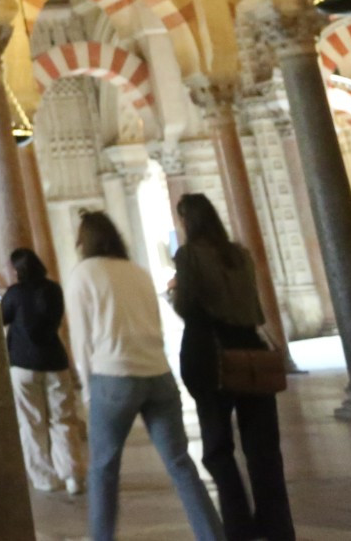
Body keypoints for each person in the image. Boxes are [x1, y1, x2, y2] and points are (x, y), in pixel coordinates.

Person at [67, 210, 223, 541]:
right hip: (158, 375)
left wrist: (88, 390)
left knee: (103, 470)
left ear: (85, 240)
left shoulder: (84, 273)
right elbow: (156, 323)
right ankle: (212, 535)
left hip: (114, 376)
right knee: (181, 465)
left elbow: (81, 340)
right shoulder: (138, 272)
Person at [172, 193, 294, 541]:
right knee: (264, 449)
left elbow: (187, 306)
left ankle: (239, 528)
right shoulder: (240, 255)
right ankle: (277, 527)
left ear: (187, 221)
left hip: (212, 356)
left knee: (217, 447)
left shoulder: (189, 255)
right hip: (251, 353)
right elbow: (256, 311)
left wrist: (175, 297)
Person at [1, 247, 85, 495]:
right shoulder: (53, 289)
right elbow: (56, 320)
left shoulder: (14, 294)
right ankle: (72, 476)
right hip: (54, 362)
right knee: (63, 419)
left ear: (17, 269)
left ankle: (44, 478)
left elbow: (2, 317)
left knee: (31, 423)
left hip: (23, 365)